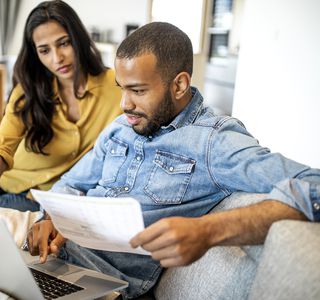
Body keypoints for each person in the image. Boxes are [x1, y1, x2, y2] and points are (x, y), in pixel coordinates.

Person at [26, 22, 320, 299]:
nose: (124, 104)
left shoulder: (214, 141)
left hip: (101, 281)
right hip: (53, 260)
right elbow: (71, 183)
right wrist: (49, 217)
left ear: (179, 85)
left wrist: (208, 230)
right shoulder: (120, 128)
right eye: (122, 88)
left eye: (138, 91)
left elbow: (313, 184)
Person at [0, 0, 122, 211]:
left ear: (78, 39)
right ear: (36, 54)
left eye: (64, 43)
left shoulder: (116, 86)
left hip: (39, 196)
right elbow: (0, 147)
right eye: (44, 50)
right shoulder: (29, 90)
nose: (57, 58)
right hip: (4, 175)